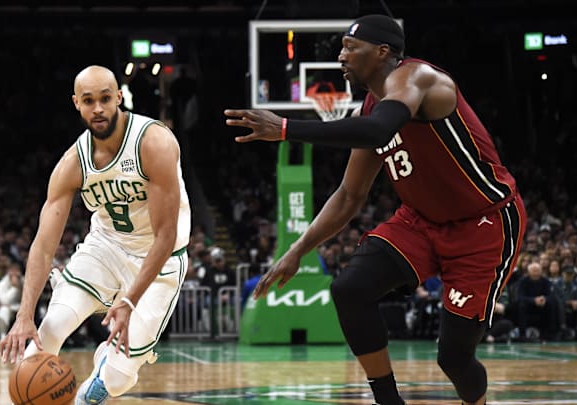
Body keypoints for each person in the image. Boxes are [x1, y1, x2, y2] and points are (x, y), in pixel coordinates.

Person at [225, 14, 526, 405]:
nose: (341, 55)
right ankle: (388, 401)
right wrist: (298, 250)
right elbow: (349, 195)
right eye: (342, 47)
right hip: (420, 221)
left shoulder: (418, 78)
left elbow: (380, 130)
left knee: (454, 358)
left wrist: (285, 127)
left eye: (352, 47)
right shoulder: (367, 109)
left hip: (484, 223)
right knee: (350, 289)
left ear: (383, 52)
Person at [0, 65, 191, 405]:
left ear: (119, 97)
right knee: (51, 328)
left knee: (117, 379)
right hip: (106, 246)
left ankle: (95, 384)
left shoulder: (154, 142)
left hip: (159, 258)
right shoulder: (73, 163)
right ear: (77, 103)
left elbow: (164, 235)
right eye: (89, 101)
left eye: (105, 98)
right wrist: (24, 315)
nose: (98, 108)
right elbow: (44, 247)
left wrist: (129, 299)